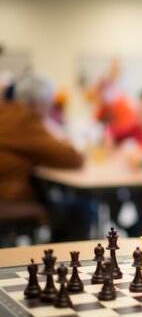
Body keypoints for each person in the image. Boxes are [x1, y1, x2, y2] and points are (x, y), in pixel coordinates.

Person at [0, 73, 85, 241]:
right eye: (49, 104)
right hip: (9, 198)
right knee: (82, 211)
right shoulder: (25, 121)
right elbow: (73, 158)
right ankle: (62, 263)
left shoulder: (5, 112)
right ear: (39, 103)